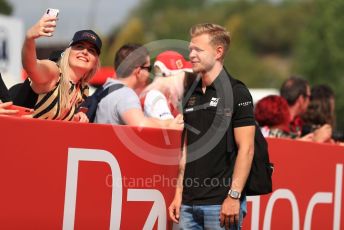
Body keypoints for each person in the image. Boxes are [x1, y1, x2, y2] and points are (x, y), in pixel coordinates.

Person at [169, 23, 255, 229]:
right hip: (188, 205)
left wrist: (233, 197)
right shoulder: (190, 92)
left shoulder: (238, 92)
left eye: (198, 49)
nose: (191, 54)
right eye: (190, 49)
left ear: (218, 52)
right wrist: (179, 193)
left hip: (221, 204)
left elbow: (247, 149)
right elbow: (187, 147)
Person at [21, 13, 102, 122]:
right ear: (68, 52)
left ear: (95, 62)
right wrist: (29, 38)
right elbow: (31, 67)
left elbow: (54, 117)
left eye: (91, 50)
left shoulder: (83, 89)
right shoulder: (54, 73)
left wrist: (75, 117)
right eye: (79, 46)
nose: (84, 52)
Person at [94, 44, 182, 129]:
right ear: (139, 71)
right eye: (148, 68)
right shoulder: (126, 94)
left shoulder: (104, 89)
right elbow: (140, 125)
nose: (149, 73)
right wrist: (168, 123)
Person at [140, 50, 194, 120]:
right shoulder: (155, 96)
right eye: (184, 77)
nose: (185, 82)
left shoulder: (164, 98)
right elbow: (171, 127)